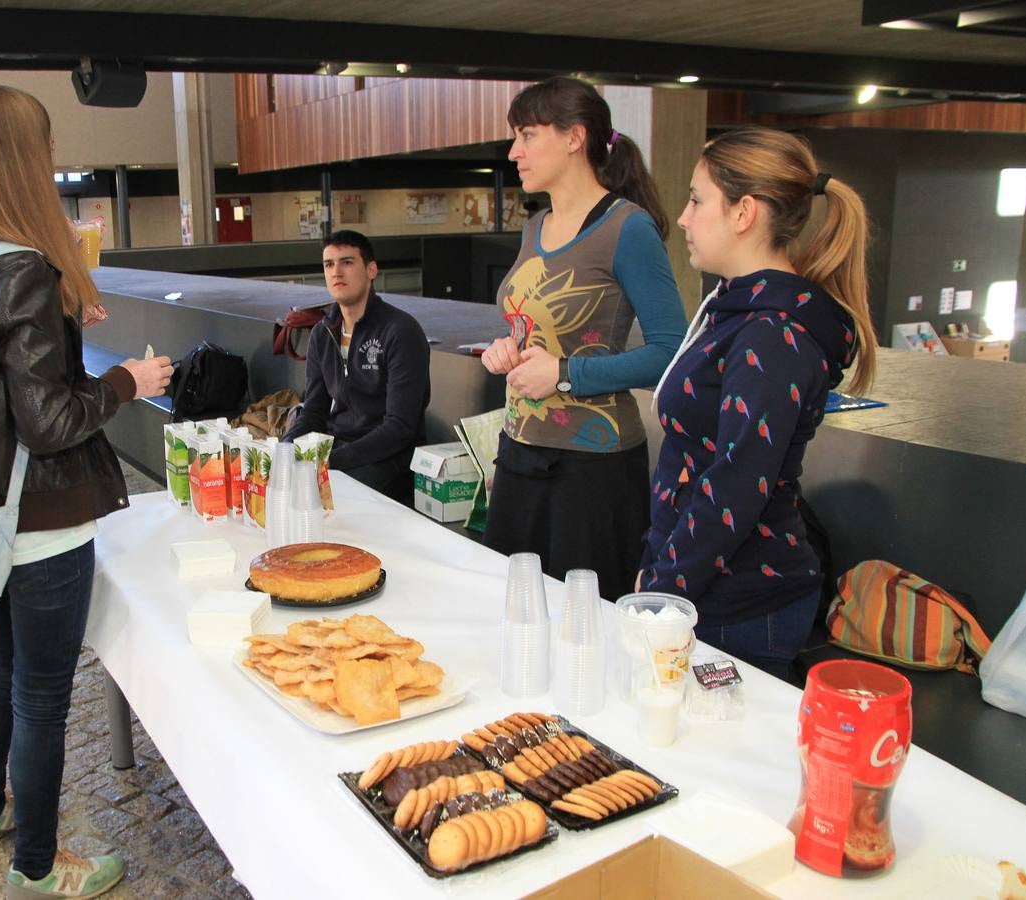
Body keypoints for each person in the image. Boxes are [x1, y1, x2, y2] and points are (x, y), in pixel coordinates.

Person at [0, 84, 171, 899]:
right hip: (42, 518)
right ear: (24, 160)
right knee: (41, 694)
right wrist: (127, 380)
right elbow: (51, 421)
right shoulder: (25, 267)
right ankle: (35, 865)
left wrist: (60, 334)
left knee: (1, 666)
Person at [638, 127, 878, 682]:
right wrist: (658, 572)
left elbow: (737, 484)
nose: (683, 218)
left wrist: (661, 595)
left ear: (743, 212)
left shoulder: (772, 333)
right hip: (697, 584)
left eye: (698, 200)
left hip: (739, 602)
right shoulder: (738, 309)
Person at [480, 76, 688, 591]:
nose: (514, 151)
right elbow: (536, 328)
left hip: (591, 469)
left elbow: (672, 352)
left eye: (527, 135)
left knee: (586, 626)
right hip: (520, 449)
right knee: (512, 609)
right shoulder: (536, 227)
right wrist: (508, 350)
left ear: (575, 137)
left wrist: (565, 374)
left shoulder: (626, 227)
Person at [283, 229, 430, 502]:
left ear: (371, 270)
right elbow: (314, 411)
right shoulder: (322, 333)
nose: (336, 272)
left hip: (390, 458)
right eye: (329, 264)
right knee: (284, 485)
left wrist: (329, 461)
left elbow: (400, 427)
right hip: (339, 449)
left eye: (347, 262)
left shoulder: (400, 330)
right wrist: (284, 451)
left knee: (326, 498)